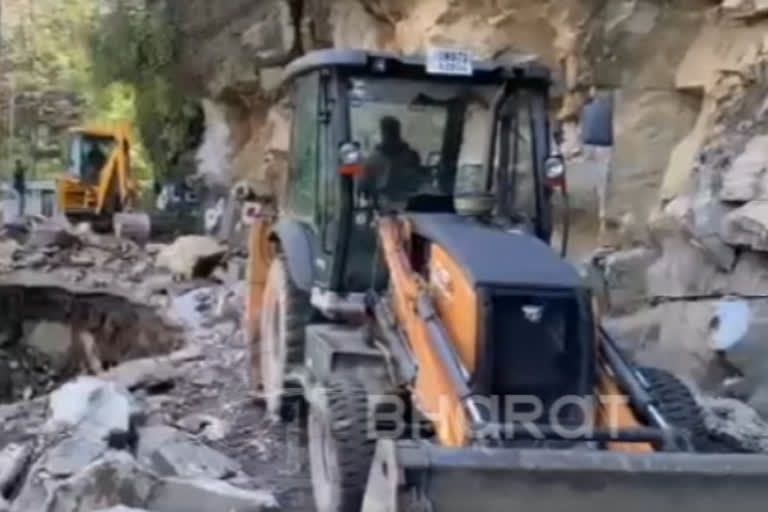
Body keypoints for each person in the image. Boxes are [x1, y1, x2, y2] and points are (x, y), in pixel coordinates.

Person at [361, 116, 422, 203]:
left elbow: (365, 189)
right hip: (410, 207)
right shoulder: (412, 155)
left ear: (383, 133)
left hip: (386, 207)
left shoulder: (374, 159)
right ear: (398, 132)